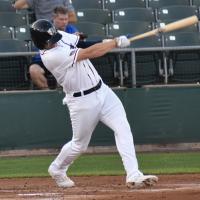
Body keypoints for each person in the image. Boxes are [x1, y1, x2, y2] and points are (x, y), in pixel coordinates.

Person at [30, 19, 158, 189]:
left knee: (123, 128)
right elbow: (89, 52)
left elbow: (84, 43)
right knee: (79, 145)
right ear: (41, 42)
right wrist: (115, 44)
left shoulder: (57, 36)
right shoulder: (51, 57)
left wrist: (111, 40)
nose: (55, 41)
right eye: (50, 41)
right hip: (81, 102)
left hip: (103, 91)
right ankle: (57, 168)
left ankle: (133, 174)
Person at [30, 6, 79, 89]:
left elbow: (76, 47)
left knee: (68, 68)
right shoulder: (44, 27)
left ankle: (61, 93)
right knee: (33, 70)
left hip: (63, 58)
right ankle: (47, 93)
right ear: (54, 18)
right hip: (43, 59)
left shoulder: (71, 29)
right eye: (61, 19)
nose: (64, 22)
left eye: (66, 19)